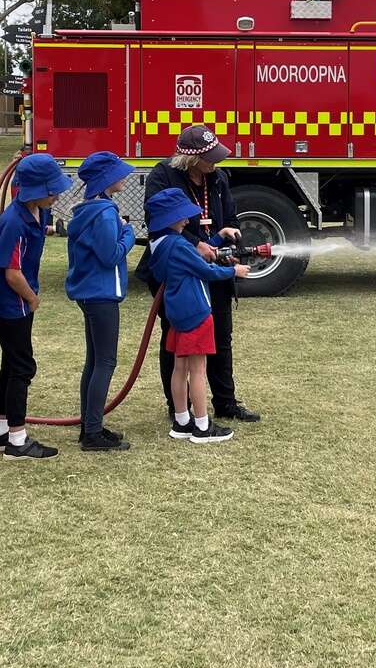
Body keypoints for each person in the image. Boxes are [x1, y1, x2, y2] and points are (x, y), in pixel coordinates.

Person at [136, 125, 261, 423]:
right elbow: (157, 221)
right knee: (177, 340)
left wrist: (228, 238)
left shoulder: (217, 178)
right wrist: (196, 244)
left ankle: (226, 403)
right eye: (210, 157)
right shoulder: (163, 176)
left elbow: (230, 217)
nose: (216, 162)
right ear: (191, 159)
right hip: (178, 274)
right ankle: (179, 408)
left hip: (213, 266)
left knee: (220, 336)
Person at [0, 152, 71, 461]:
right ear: (35, 190)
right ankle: (17, 440)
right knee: (22, 366)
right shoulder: (13, 221)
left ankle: (0, 432)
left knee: (11, 363)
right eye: (52, 190)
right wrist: (32, 298)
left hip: (20, 300)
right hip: (10, 303)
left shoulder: (39, 212)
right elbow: (11, 273)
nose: (57, 195)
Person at [145, 188, 249, 444]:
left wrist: (219, 237)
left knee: (180, 368)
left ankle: (182, 421)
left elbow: (197, 256)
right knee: (198, 370)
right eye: (182, 216)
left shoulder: (160, 244)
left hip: (177, 314)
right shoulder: (179, 245)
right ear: (170, 219)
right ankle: (202, 426)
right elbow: (207, 270)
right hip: (196, 313)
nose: (186, 220)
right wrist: (234, 271)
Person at [64, 151, 137, 452]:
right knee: (105, 361)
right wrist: (129, 232)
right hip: (101, 294)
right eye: (119, 173)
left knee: (94, 361)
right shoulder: (105, 213)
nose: (125, 177)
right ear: (106, 179)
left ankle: (89, 425)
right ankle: (92, 433)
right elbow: (111, 255)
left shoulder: (88, 210)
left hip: (90, 293)